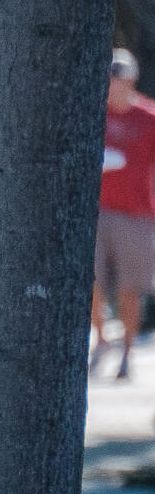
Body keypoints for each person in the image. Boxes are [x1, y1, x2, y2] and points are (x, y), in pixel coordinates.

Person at [99, 49, 155, 380]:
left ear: (131, 80)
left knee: (128, 289)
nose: (114, 85)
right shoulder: (93, 114)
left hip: (135, 214)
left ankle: (127, 352)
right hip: (96, 213)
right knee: (91, 283)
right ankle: (103, 339)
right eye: (110, 79)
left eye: (119, 79)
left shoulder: (148, 118)